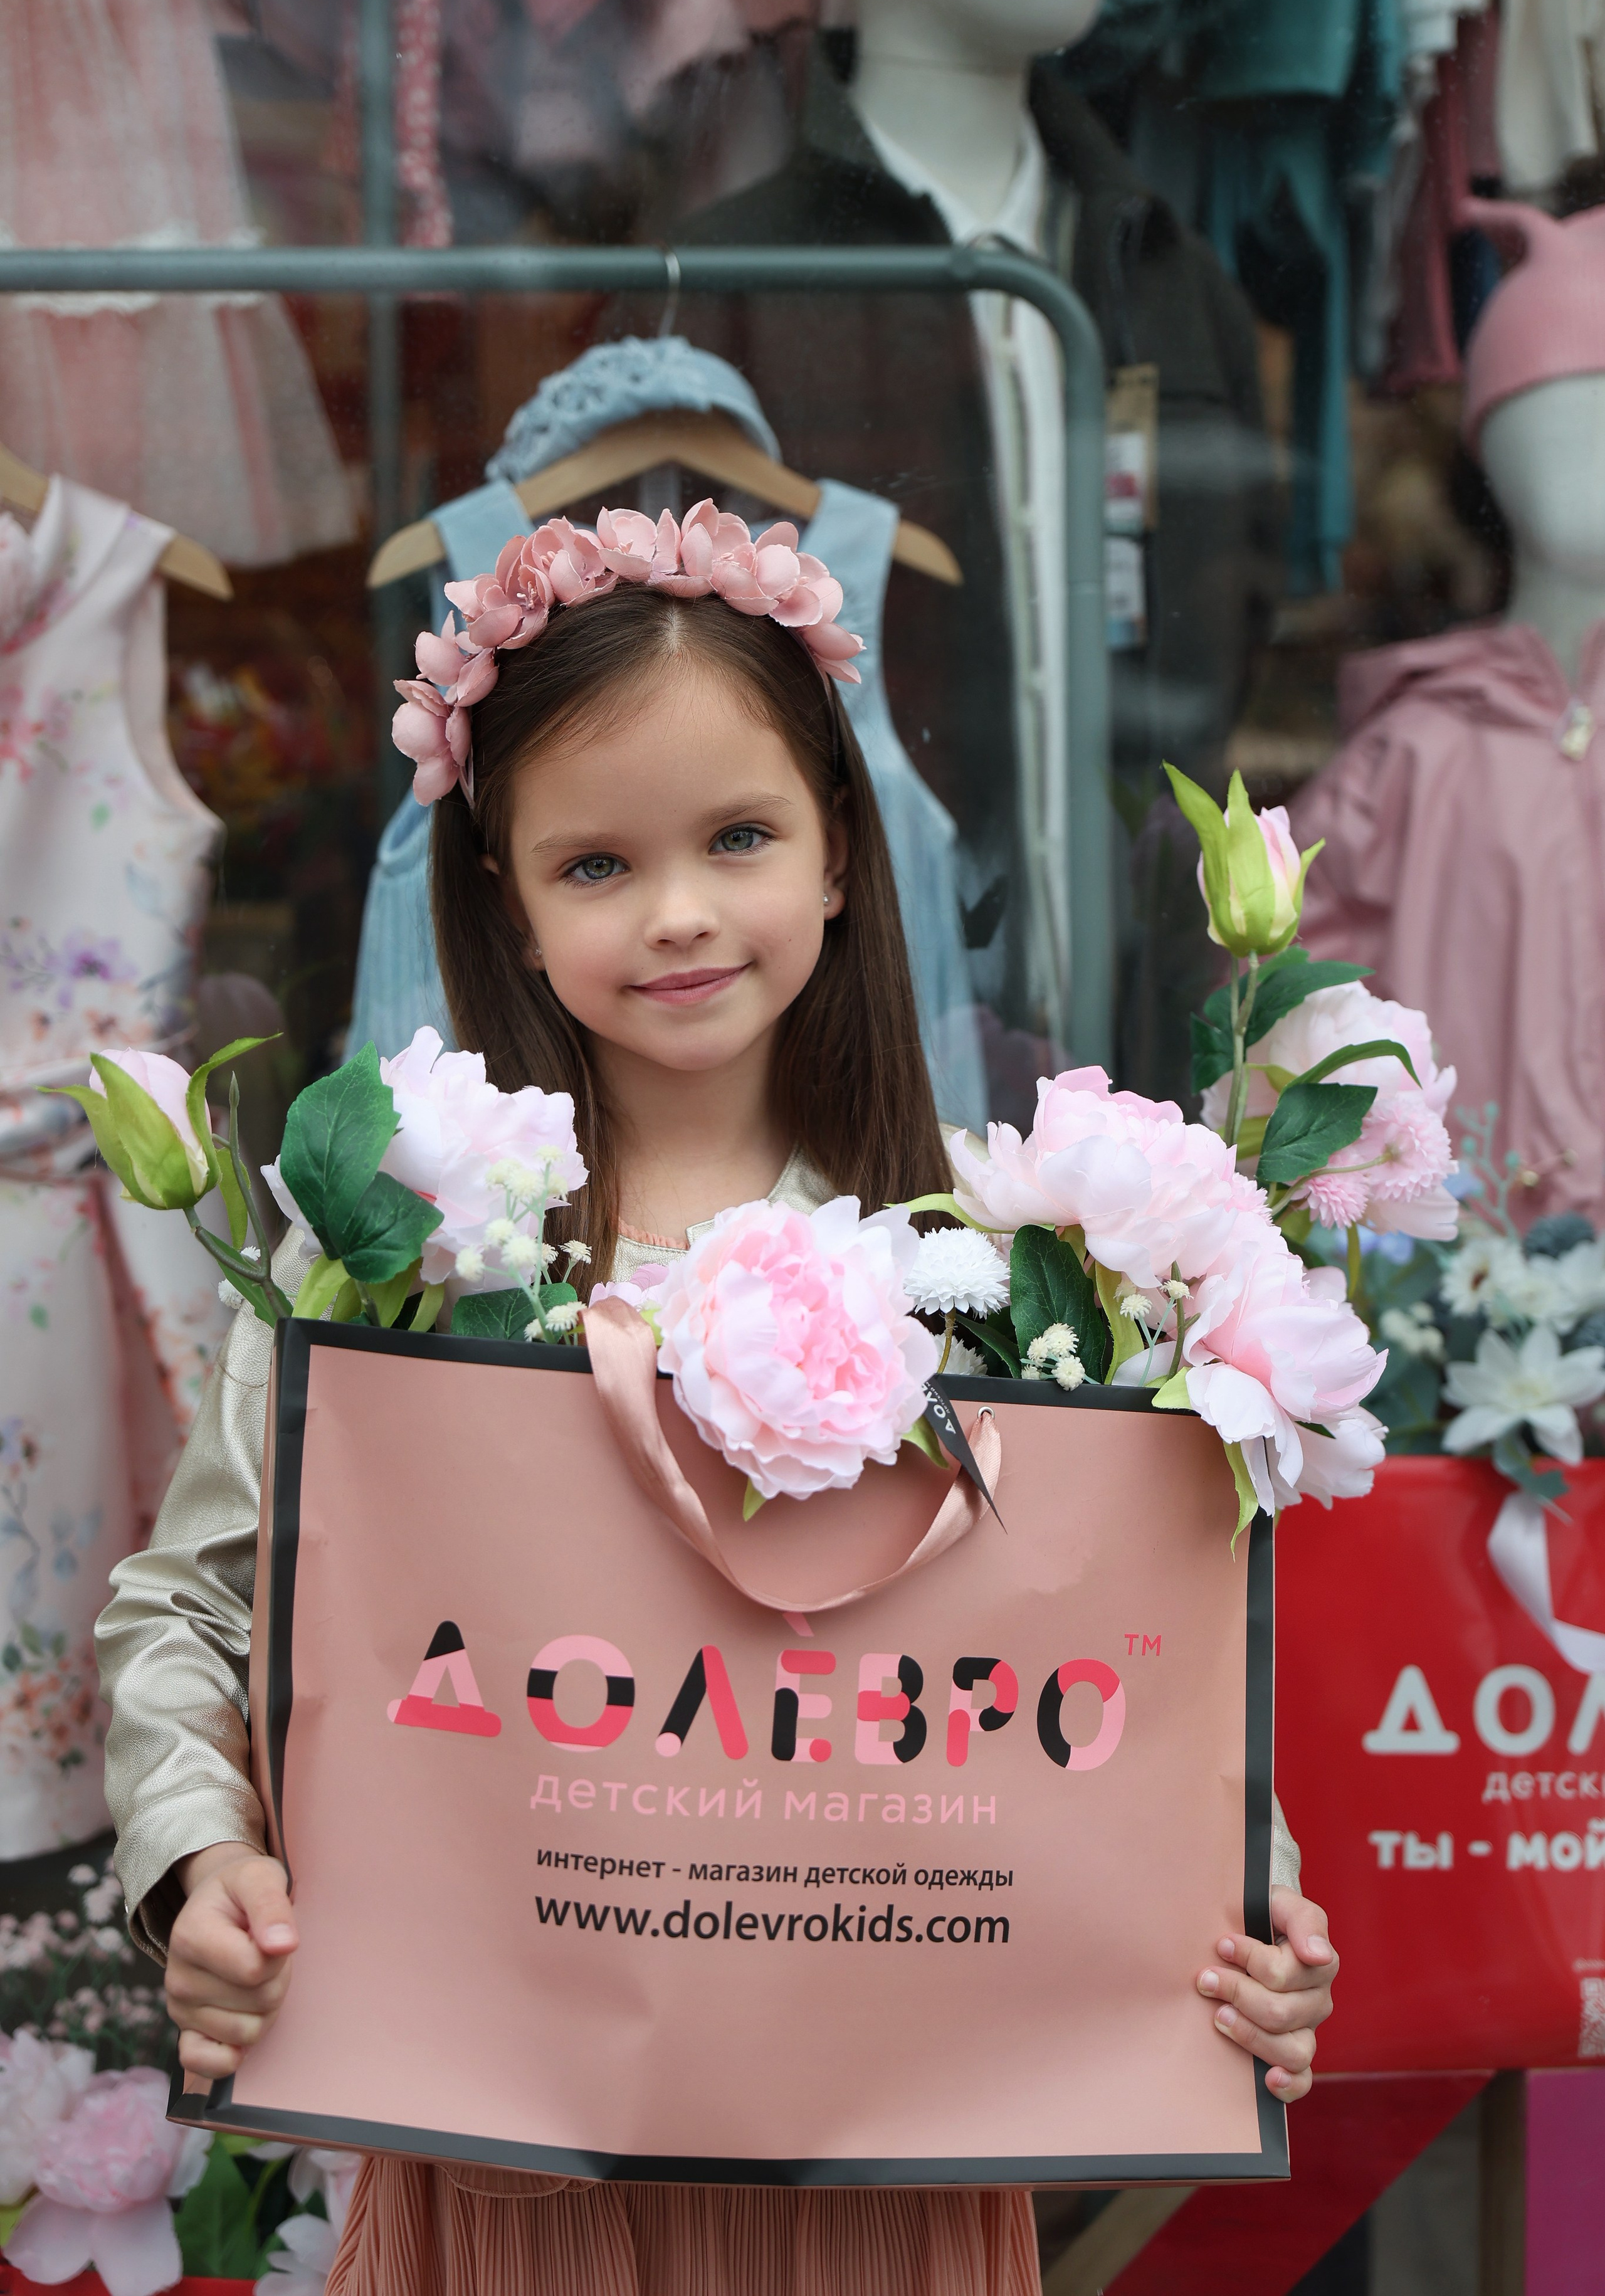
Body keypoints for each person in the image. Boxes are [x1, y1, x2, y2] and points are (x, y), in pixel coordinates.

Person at [97, 508, 1337, 2296]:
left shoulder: (1016, 1260)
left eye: (739, 837)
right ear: (505, 909)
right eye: (594, 865)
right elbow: (191, 1611)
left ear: (841, 852)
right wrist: (196, 1858)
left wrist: (1249, 1913)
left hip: (887, 2198)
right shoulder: (394, 1263)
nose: (678, 912)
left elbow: (1136, 1675)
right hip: (517, 2198)